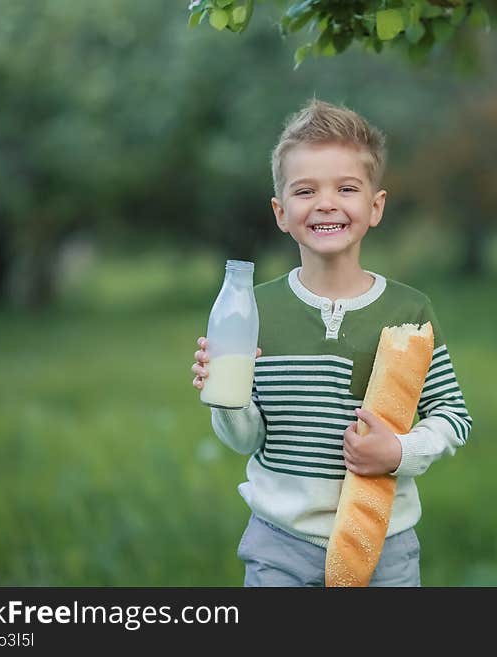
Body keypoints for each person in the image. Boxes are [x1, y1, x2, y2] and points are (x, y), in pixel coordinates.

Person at [191, 98, 472, 586]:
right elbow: (247, 440)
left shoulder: (410, 313)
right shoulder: (253, 311)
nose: (326, 203)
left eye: (346, 188)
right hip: (280, 542)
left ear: (375, 206)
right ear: (281, 212)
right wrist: (226, 398)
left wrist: (399, 452)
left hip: (384, 543)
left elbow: (453, 416)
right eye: (305, 190)